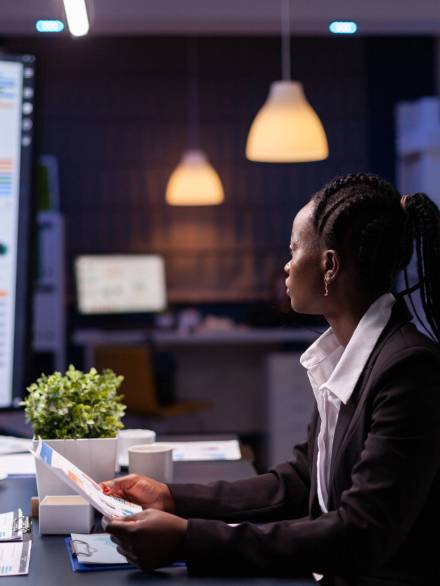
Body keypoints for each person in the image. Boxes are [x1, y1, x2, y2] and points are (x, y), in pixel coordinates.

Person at [101, 173, 440, 586]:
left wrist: (188, 540)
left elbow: (359, 532)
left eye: (294, 249)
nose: (287, 264)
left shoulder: (408, 369)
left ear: (329, 265)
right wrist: (172, 498)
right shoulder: (352, 355)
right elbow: (299, 482)